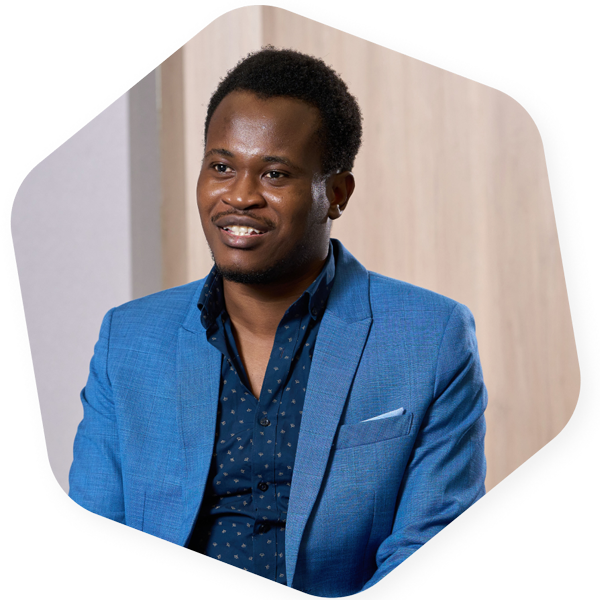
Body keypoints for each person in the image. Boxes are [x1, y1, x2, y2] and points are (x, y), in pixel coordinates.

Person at [69, 47, 487, 598]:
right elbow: (93, 543)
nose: (240, 196)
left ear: (335, 194)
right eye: (221, 167)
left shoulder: (431, 337)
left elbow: (430, 550)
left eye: (274, 173)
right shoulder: (127, 338)